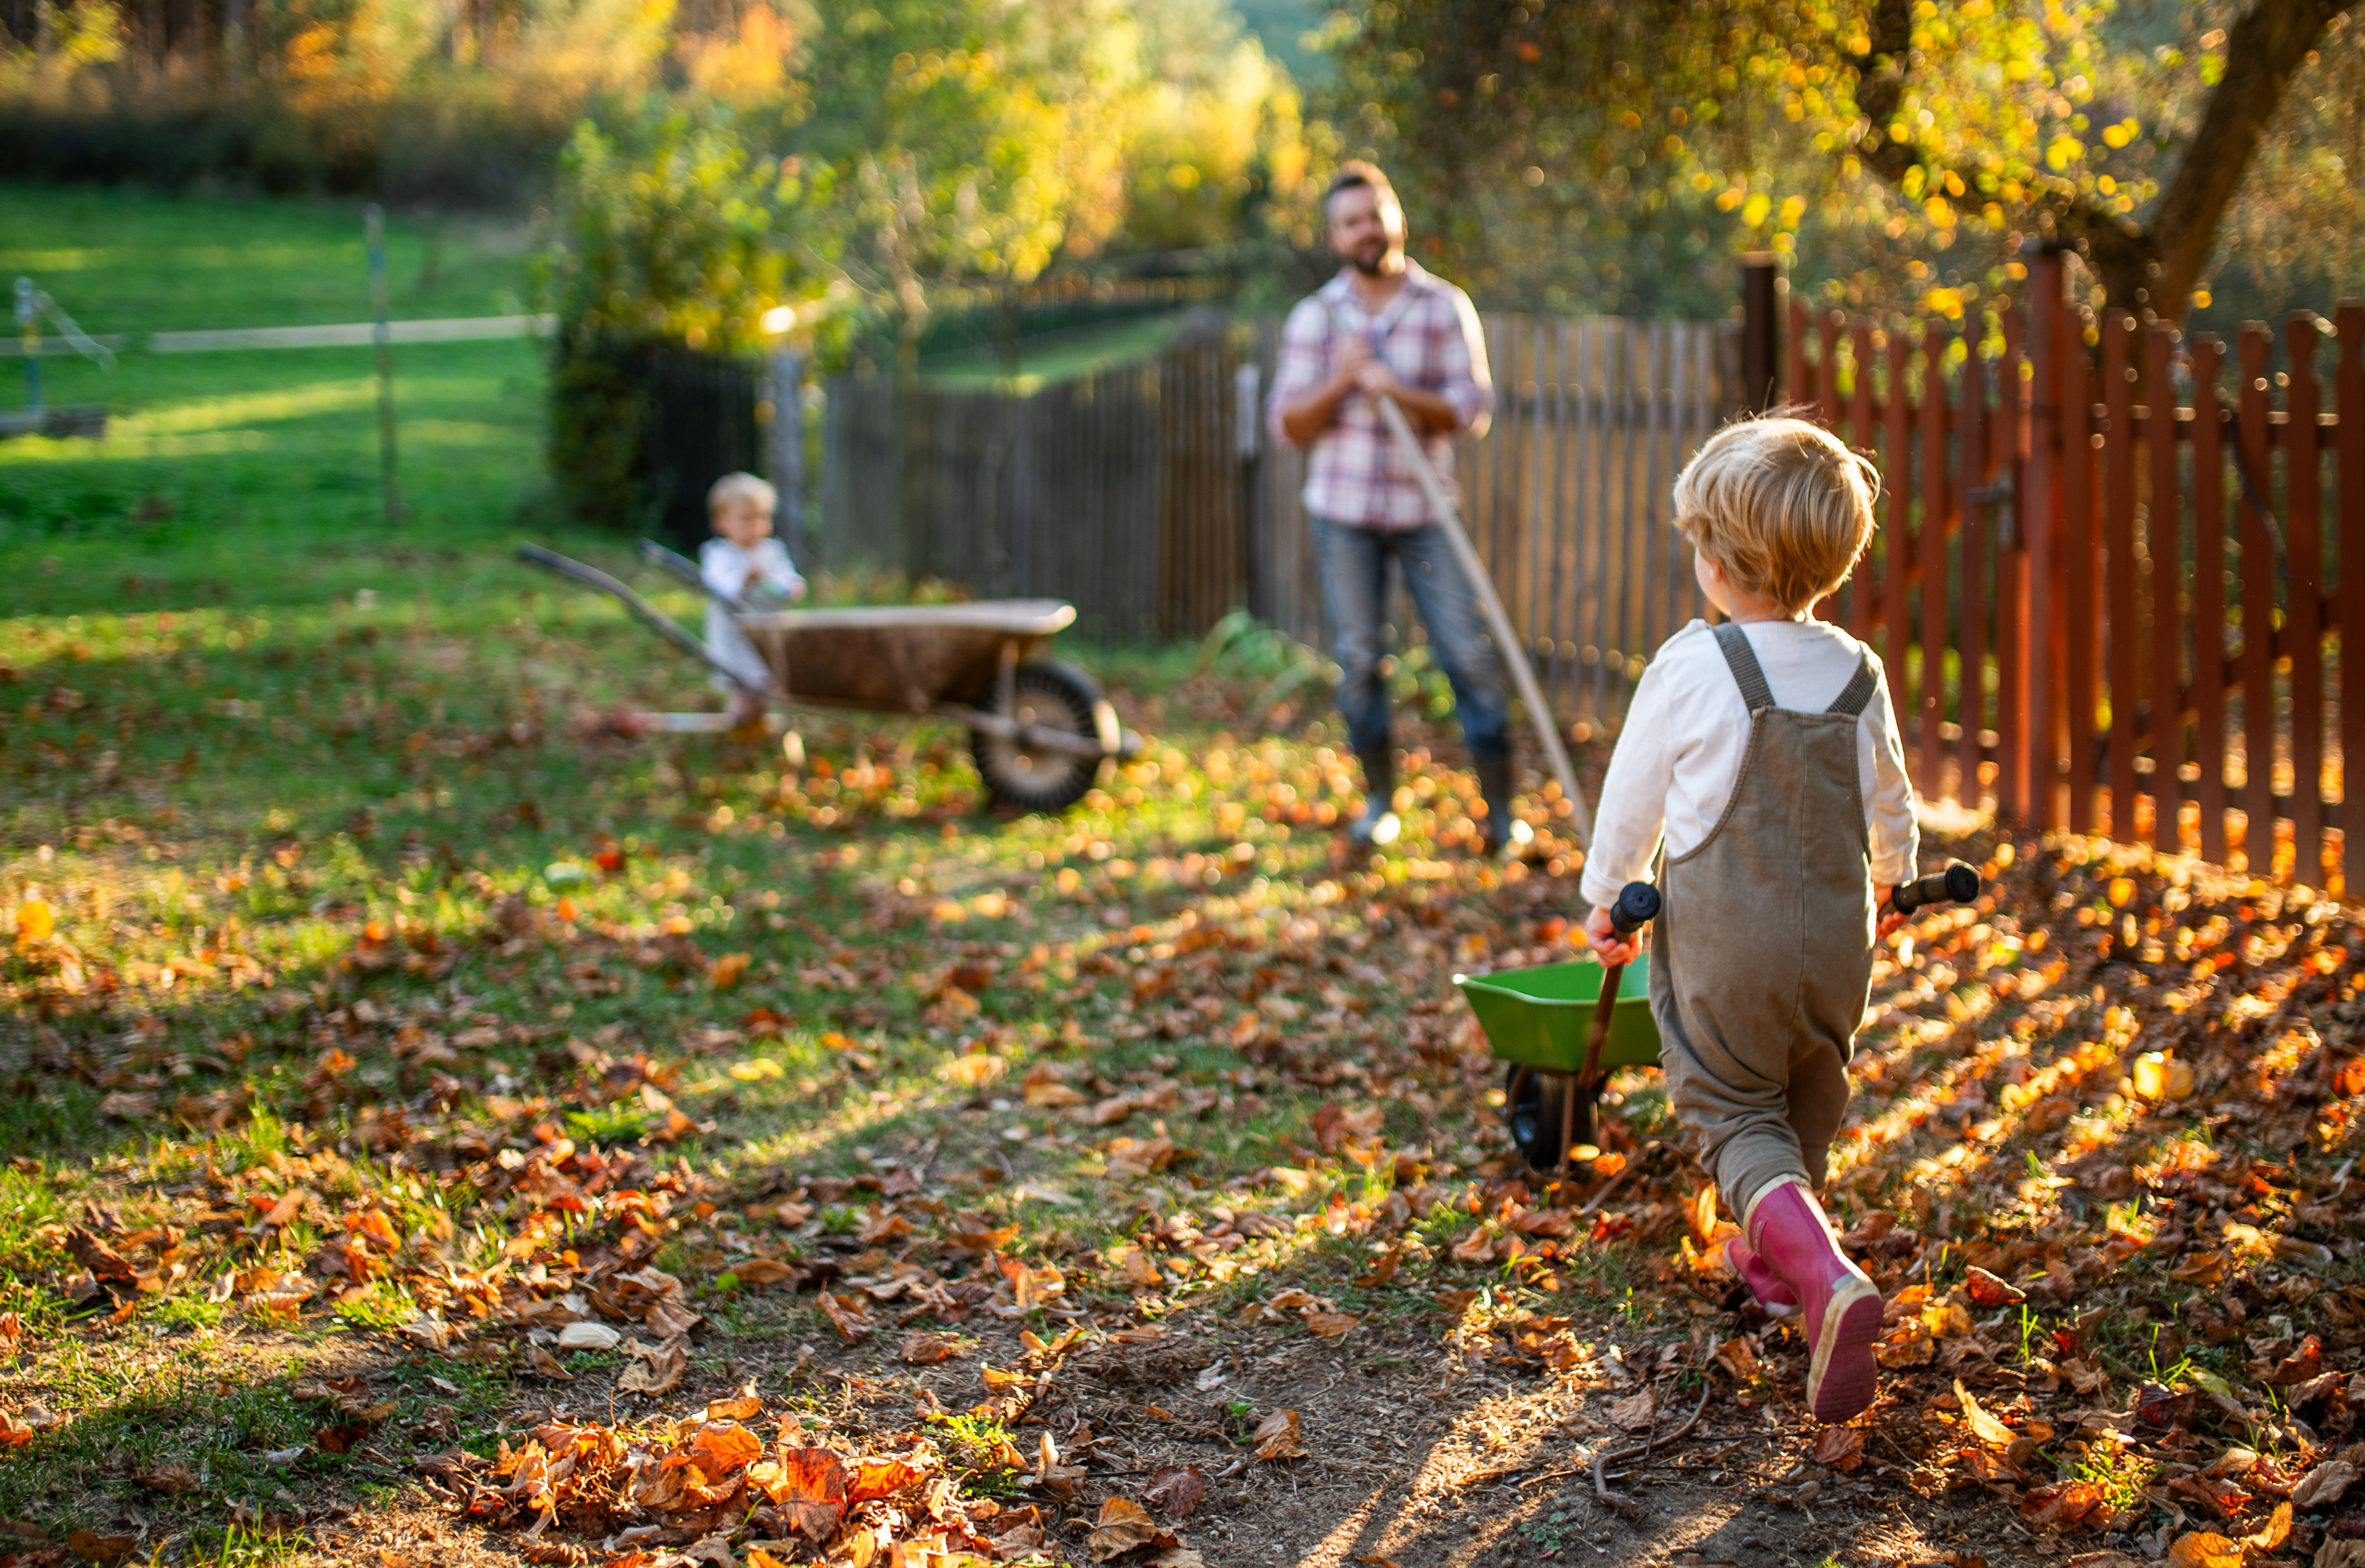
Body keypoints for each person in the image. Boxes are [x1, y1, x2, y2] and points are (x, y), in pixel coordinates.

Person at [1580, 416, 1918, 1424]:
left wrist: (1607, 898)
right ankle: (1783, 1272)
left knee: (1731, 1109)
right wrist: (1897, 881)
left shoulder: (1694, 665)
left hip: (1730, 941)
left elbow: (1630, 801)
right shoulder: (1857, 669)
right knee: (1806, 1089)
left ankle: (1822, 1276)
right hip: (1836, 940)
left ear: (1719, 564)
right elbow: (1890, 798)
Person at [1267, 163, 1522, 854]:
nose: (1366, 230)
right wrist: (1343, 380)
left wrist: (1398, 390)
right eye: (1350, 222)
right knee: (1361, 660)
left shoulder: (1443, 306)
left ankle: (1501, 814)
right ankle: (1380, 802)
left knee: (1466, 653)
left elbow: (1472, 412)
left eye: (1375, 215)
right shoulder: (1316, 317)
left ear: (1397, 217)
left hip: (1424, 511)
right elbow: (1287, 426)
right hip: (1343, 513)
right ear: (1334, 236)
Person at [700, 471, 806, 723]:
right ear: (722, 522)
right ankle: (738, 728)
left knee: (765, 680)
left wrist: (793, 587)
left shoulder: (772, 551)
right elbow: (719, 586)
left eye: (762, 518)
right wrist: (744, 581)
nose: (756, 526)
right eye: (746, 519)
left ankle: (759, 726)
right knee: (742, 684)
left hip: (768, 628)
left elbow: (785, 578)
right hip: (735, 634)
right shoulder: (719, 554)